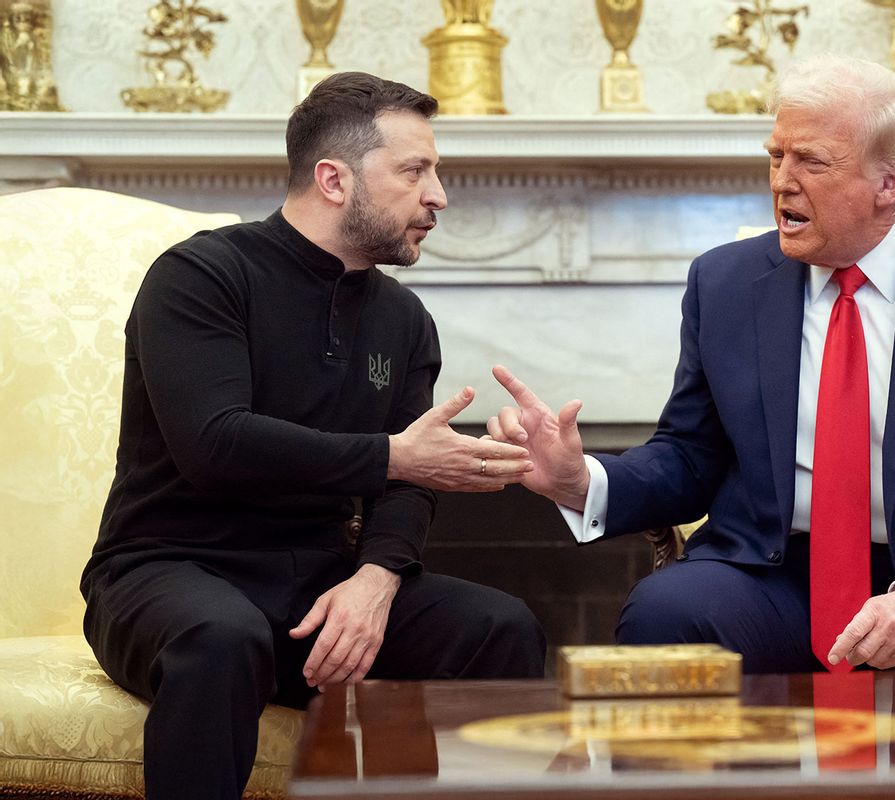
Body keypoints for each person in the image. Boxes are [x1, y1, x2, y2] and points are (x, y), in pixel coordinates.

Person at [486, 55, 895, 726]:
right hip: (776, 571)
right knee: (666, 613)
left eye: (810, 163)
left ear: (889, 184)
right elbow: (690, 454)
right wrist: (580, 481)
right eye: (775, 155)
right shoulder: (726, 284)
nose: (781, 181)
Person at [80, 72, 546, 800]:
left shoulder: (403, 318)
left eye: (437, 172)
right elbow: (216, 446)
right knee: (221, 638)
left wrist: (376, 579)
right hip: (165, 571)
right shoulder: (200, 276)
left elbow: (409, 481)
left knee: (498, 625)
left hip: (316, 585)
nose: (439, 196)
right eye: (415, 171)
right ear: (334, 179)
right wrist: (395, 455)